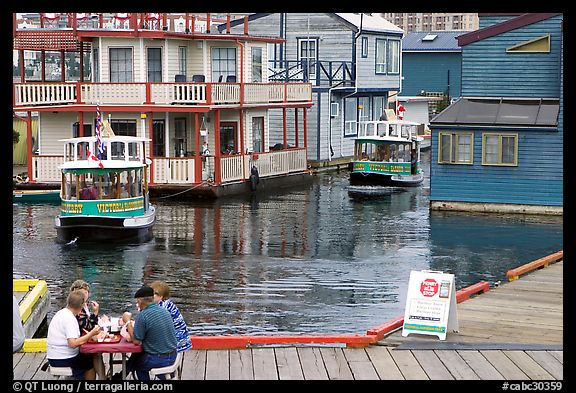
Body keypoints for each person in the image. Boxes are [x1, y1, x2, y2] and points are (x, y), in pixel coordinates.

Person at [123, 285, 177, 380]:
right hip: (173, 355)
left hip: (159, 359)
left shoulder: (143, 315)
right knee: (136, 357)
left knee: (136, 364)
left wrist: (128, 322)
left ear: (140, 301)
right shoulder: (164, 311)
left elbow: (136, 341)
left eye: (137, 301)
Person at [47, 290, 101, 380]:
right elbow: (72, 343)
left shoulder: (61, 313)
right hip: (62, 359)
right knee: (89, 364)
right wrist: (91, 334)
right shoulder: (70, 319)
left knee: (86, 357)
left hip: (53, 356)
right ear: (81, 306)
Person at [69, 280, 105, 380]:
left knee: (96, 354)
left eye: (86, 292)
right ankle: (103, 378)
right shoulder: (76, 308)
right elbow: (87, 326)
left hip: (82, 341)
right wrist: (95, 313)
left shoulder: (84, 306)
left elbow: (89, 325)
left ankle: (103, 378)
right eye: (82, 292)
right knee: (92, 357)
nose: (85, 295)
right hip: (76, 346)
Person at [149, 280, 192, 353]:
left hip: (174, 346)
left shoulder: (163, 309)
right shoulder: (167, 305)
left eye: (153, 294)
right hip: (182, 342)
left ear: (161, 296)